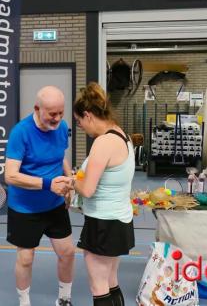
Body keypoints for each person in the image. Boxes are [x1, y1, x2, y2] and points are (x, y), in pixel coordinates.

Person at [5, 86, 75, 306]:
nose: (57, 119)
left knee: (68, 253)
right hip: (25, 208)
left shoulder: (62, 127)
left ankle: (64, 298)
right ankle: (24, 302)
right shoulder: (21, 132)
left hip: (55, 205)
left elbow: (60, 156)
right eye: (52, 114)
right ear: (37, 108)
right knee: (26, 259)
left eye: (61, 113)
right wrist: (47, 184)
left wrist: (69, 179)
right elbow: (10, 176)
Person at [70, 82, 135, 306]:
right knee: (110, 281)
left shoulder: (103, 142)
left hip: (103, 223)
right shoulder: (121, 134)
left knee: (98, 287)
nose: (82, 128)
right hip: (117, 220)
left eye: (79, 122)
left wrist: (70, 182)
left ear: (88, 115)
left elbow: (87, 189)